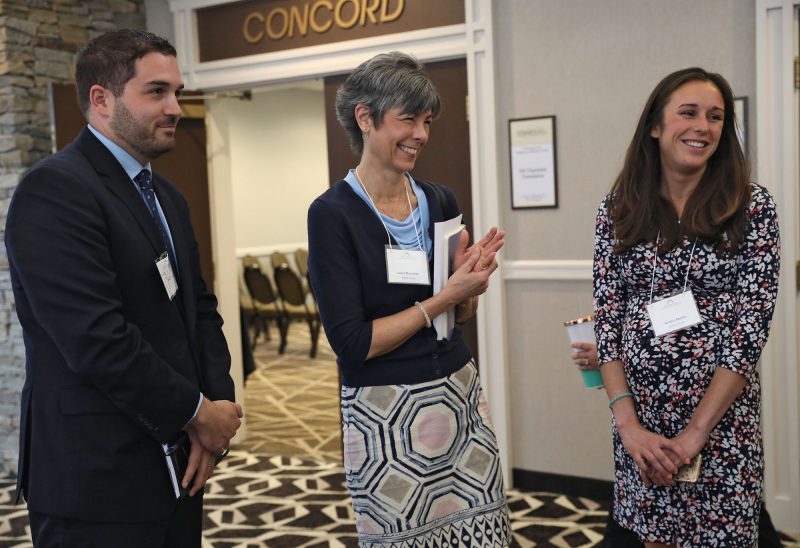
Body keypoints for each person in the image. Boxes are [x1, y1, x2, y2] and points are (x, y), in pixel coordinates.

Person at [4, 29, 243, 548]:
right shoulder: (54, 191)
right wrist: (197, 413)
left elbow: (199, 310)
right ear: (101, 99)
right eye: (157, 92)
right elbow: (97, 338)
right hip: (94, 481)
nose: (176, 107)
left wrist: (216, 410)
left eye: (177, 91)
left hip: (178, 467)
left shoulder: (167, 197)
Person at [307, 51, 510, 546]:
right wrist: (445, 297)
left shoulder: (440, 200)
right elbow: (353, 344)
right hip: (384, 413)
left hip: (458, 396)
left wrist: (470, 286)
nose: (420, 133)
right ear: (365, 118)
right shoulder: (332, 214)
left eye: (427, 121)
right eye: (408, 119)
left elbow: (459, 316)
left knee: (481, 535)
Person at [593, 67, 780, 547]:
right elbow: (608, 322)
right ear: (655, 126)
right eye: (689, 112)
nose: (704, 126)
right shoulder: (617, 209)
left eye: (716, 116)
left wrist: (696, 434)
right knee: (653, 539)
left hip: (720, 427)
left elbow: (748, 332)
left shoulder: (751, 208)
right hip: (641, 428)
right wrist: (628, 425)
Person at [570, 343, 783, 548]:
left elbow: (741, 347)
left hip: (719, 433)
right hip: (648, 433)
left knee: (731, 524)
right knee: (637, 530)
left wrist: (620, 358)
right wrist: (616, 363)